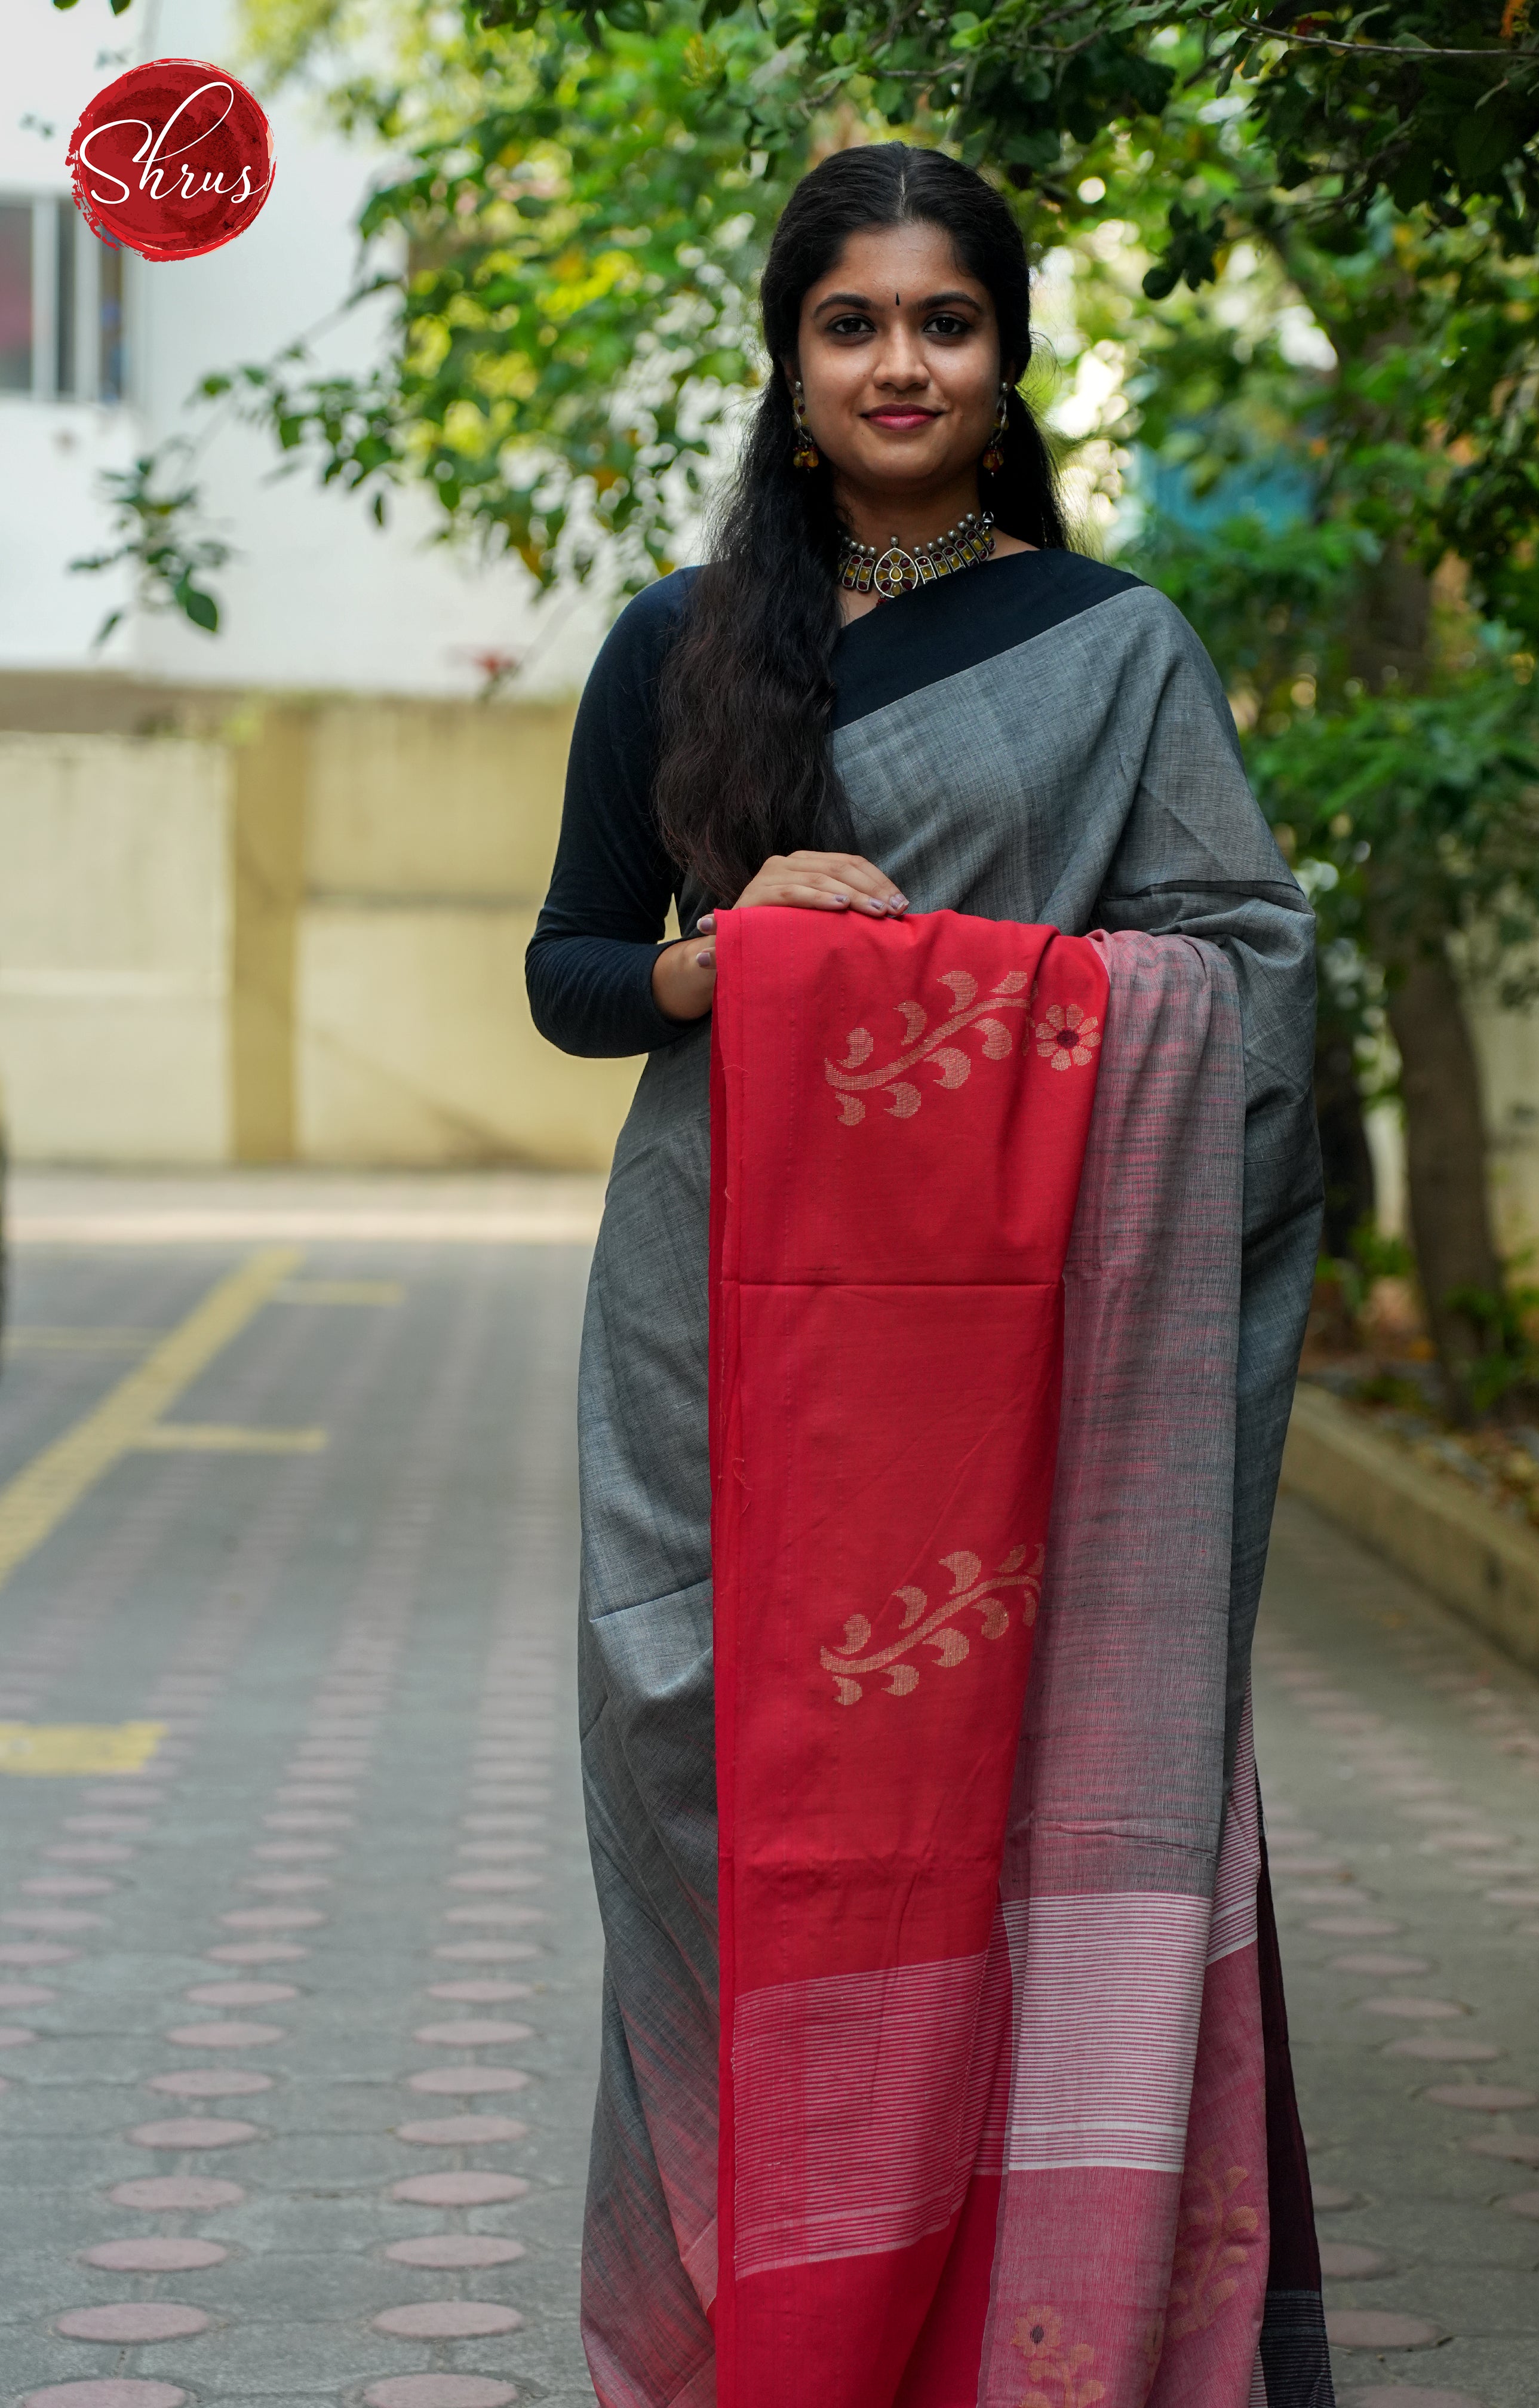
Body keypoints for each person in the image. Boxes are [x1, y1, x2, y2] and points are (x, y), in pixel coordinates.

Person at [528, 141, 1330, 2408]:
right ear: (790, 366)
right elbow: (573, 972)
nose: (902, 363)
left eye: (945, 323)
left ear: (1006, 365)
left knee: (989, 1819)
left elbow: (1245, 985)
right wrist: (728, 963)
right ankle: (747, 2315)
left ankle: (1013, 2325)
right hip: (718, 1358)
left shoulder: (1111, 651)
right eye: (854, 323)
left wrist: (948, 982)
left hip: (1013, 1374)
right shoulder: (677, 650)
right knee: (713, 1816)